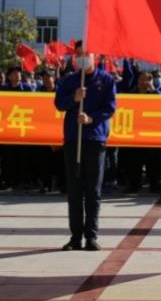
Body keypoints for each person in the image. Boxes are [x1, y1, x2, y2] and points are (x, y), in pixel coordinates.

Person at [55, 52, 117, 251]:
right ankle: (75, 237)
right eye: (79, 55)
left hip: (95, 139)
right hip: (73, 139)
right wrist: (74, 98)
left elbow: (110, 107)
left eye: (87, 54)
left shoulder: (106, 80)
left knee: (93, 191)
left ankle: (91, 236)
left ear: (94, 57)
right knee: (74, 191)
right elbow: (59, 104)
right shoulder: (70, 80)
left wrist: (91, 118)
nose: (83, 58)